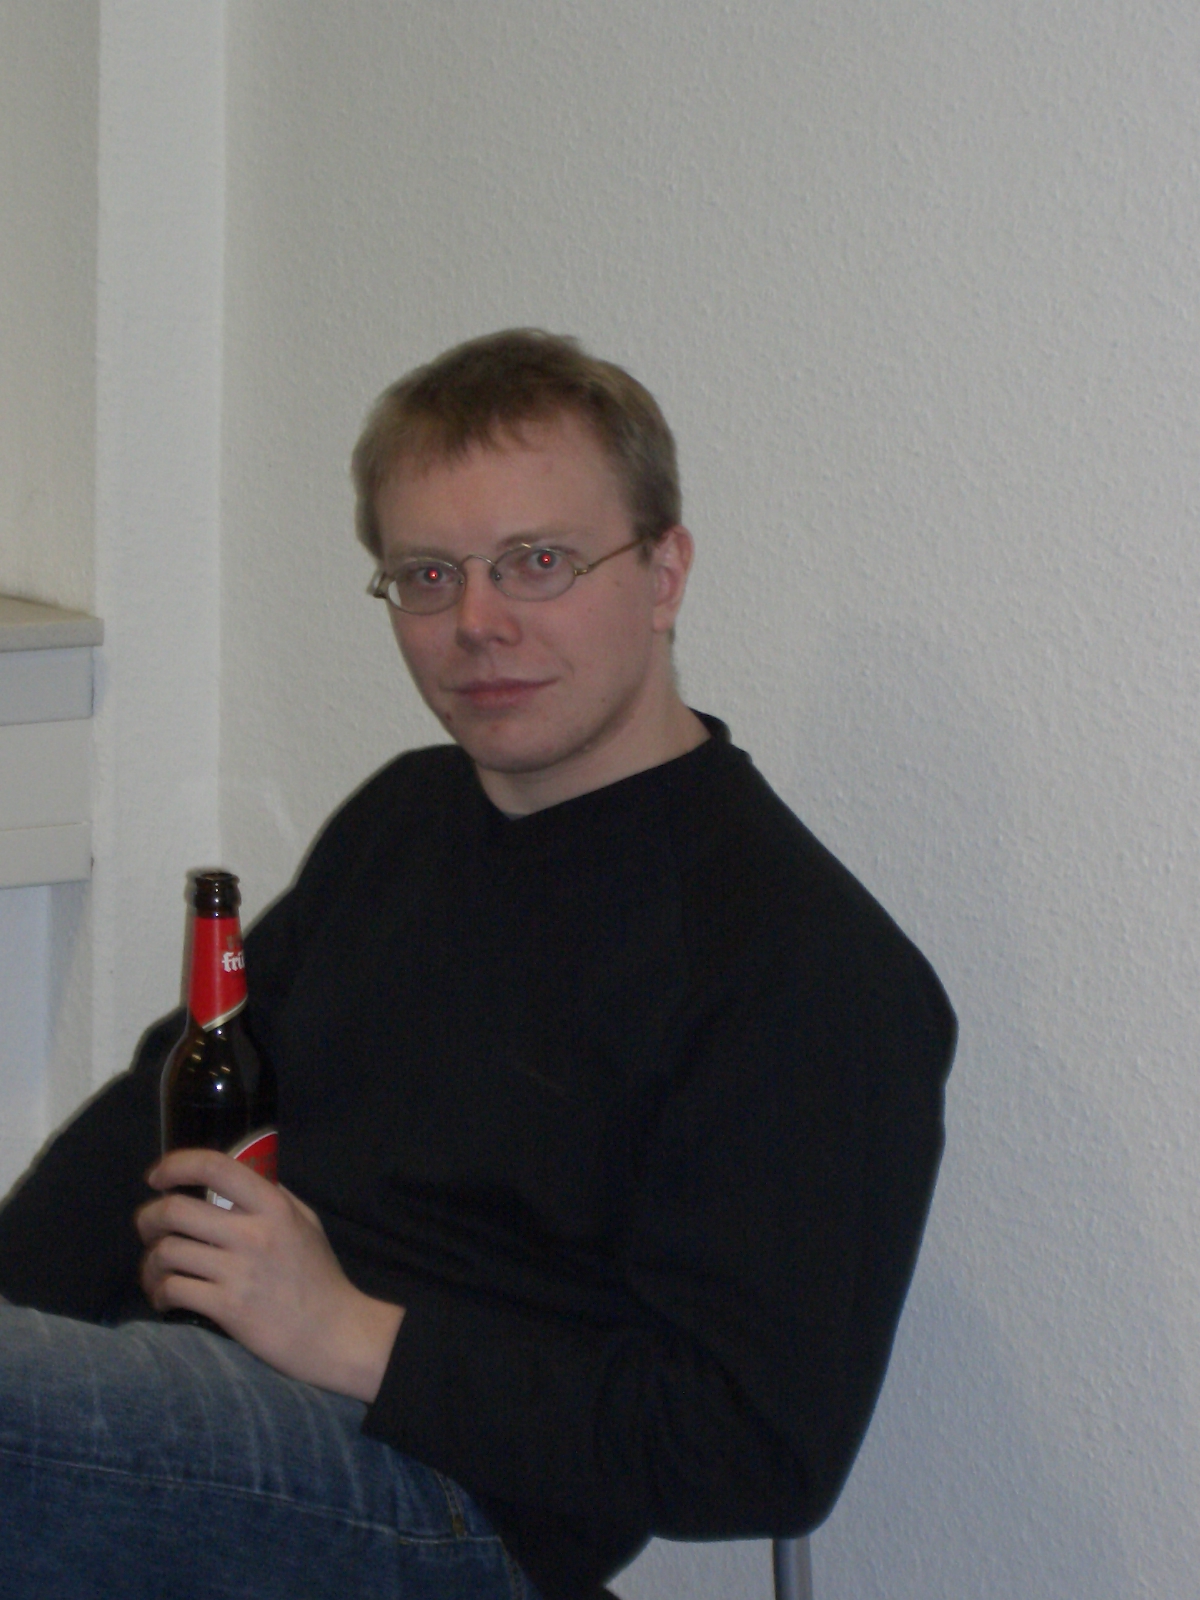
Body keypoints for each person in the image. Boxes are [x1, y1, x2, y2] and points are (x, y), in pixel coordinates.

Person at [0, 329, 956, 1600]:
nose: (478, 624)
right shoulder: (406, 819)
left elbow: (757, 1449)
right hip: (191, 1397)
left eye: (538, 562)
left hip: (452, 1507)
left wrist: (351, 1333)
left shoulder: (801, 962)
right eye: (427, 575)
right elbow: (153, 1118)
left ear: (663, 572)